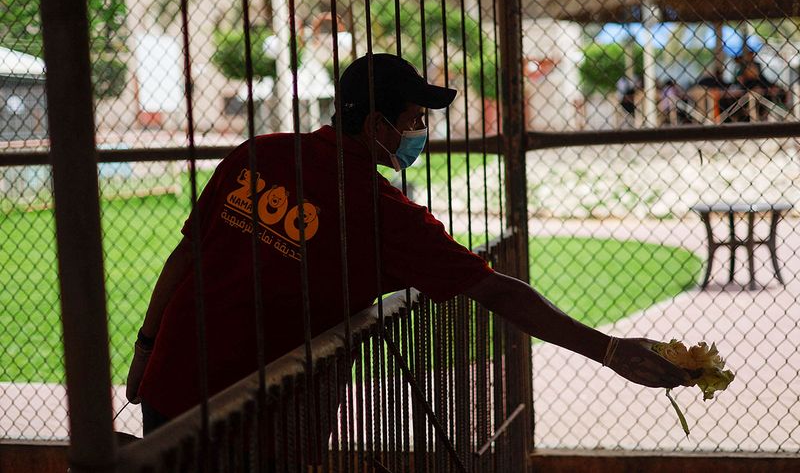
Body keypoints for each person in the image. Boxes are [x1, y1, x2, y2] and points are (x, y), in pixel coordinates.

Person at [126, 53, 690, 436]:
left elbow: (186, 257)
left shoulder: (258, 153)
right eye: (416, 119)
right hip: (257, 410)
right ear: (377, 126)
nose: (422, 131)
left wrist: (146, 347)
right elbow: (495, 290)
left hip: (173, 378)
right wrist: (608, 350)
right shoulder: (384, 214)